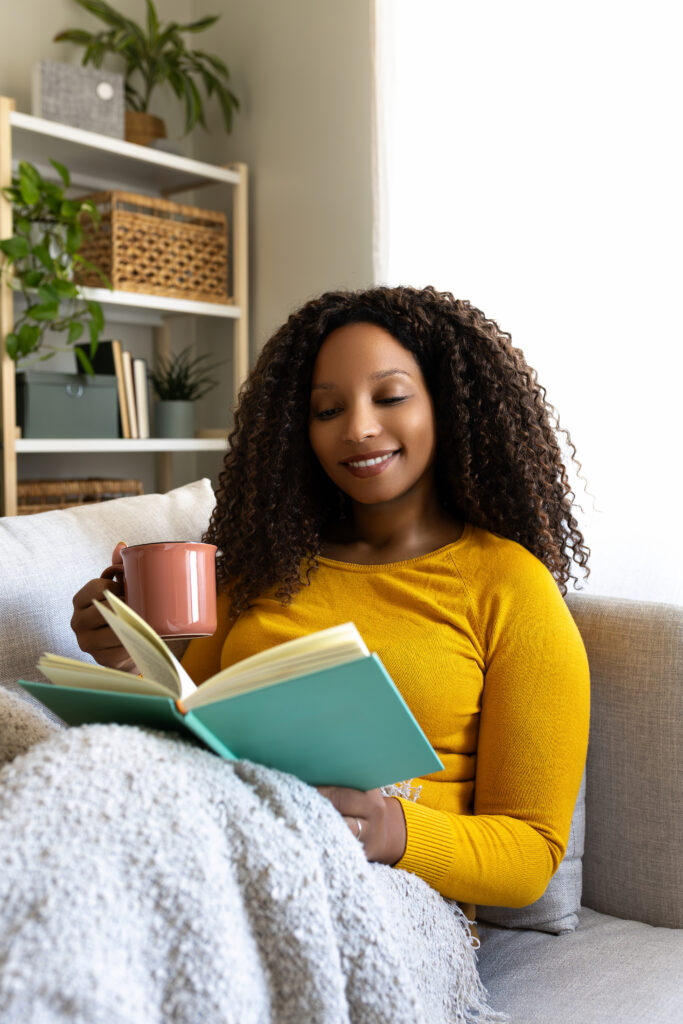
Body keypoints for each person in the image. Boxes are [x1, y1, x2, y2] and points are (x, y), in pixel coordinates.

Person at [71, 285, 590, 918]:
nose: (358, 428)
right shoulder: (267, 564)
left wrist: (390, 830)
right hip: (227, 842)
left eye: (391, 396)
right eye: (326, 410)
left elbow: (529, 853)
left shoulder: (511, 587)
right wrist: (129, 656)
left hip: (390, 896)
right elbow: (191, 729)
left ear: (446, 406)